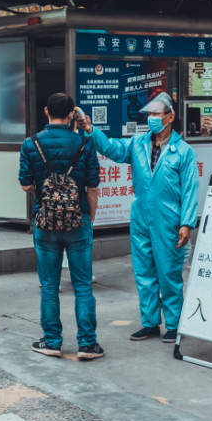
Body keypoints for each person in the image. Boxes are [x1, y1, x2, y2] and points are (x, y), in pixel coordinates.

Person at [79, 91, 198, 344]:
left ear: (170, 117)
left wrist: (187, 223)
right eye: (150, 114)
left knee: (169, 274)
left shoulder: (183, 152)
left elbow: (190, 190)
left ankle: (175, 325)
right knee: (144, 273)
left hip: (170, 220)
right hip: (141, 218)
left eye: (156, 114)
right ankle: (150, 323)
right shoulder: (138, 144)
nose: (152, 118)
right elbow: (112, 148)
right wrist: (91, 130)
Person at [19, 93, 104, 360]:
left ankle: (52, 341)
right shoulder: (84, 143)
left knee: (49, 285)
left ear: (46, 111)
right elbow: (92, 188)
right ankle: (88, 344)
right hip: (78, 221)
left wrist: (48, 196)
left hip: (45, 223)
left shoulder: (30, 143)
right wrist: (89, 216)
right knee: (82, 285)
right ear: (72, 115)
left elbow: (25, 184)